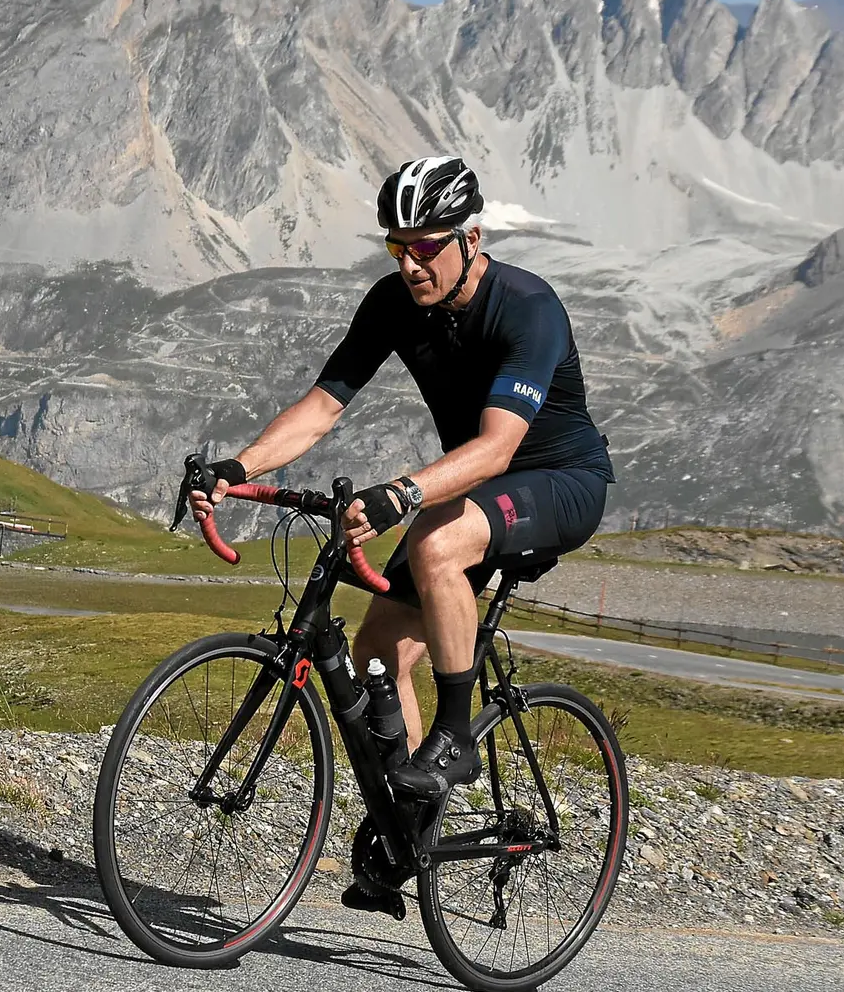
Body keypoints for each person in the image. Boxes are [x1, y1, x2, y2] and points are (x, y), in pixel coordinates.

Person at [188, 152, 614, 849]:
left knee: (435, 538)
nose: (411, 264)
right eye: (397, 247)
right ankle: (410, 832)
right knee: (378, 652)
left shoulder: (529, 309)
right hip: (477, 494)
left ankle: (454, 738)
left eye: (425, 247)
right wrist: (237, 465)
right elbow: (322, 407)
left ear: (471, 241)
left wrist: (403, 493)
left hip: (561, 484)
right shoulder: (394, 303)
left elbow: (498, 450)